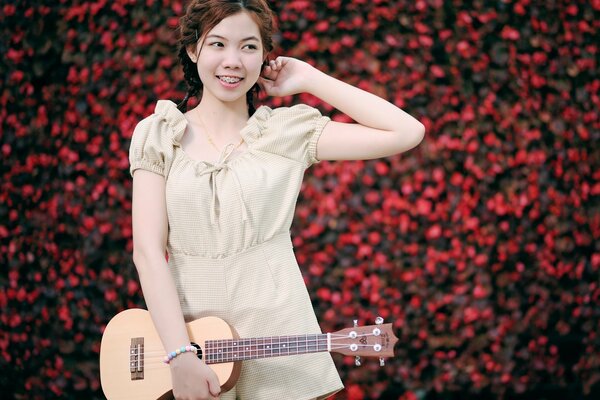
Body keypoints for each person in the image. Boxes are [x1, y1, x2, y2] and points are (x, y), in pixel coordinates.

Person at [129, 0, 425, 399]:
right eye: (217, 44)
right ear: (193, 49)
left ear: (264, 56)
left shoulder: (286, 132)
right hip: (190, 337)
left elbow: (406, 132)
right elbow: (148, 251)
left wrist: (311, 78)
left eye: (249, 47)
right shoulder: (158, 134)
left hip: (279, 333)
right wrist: (179, 353)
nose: (233, 61)